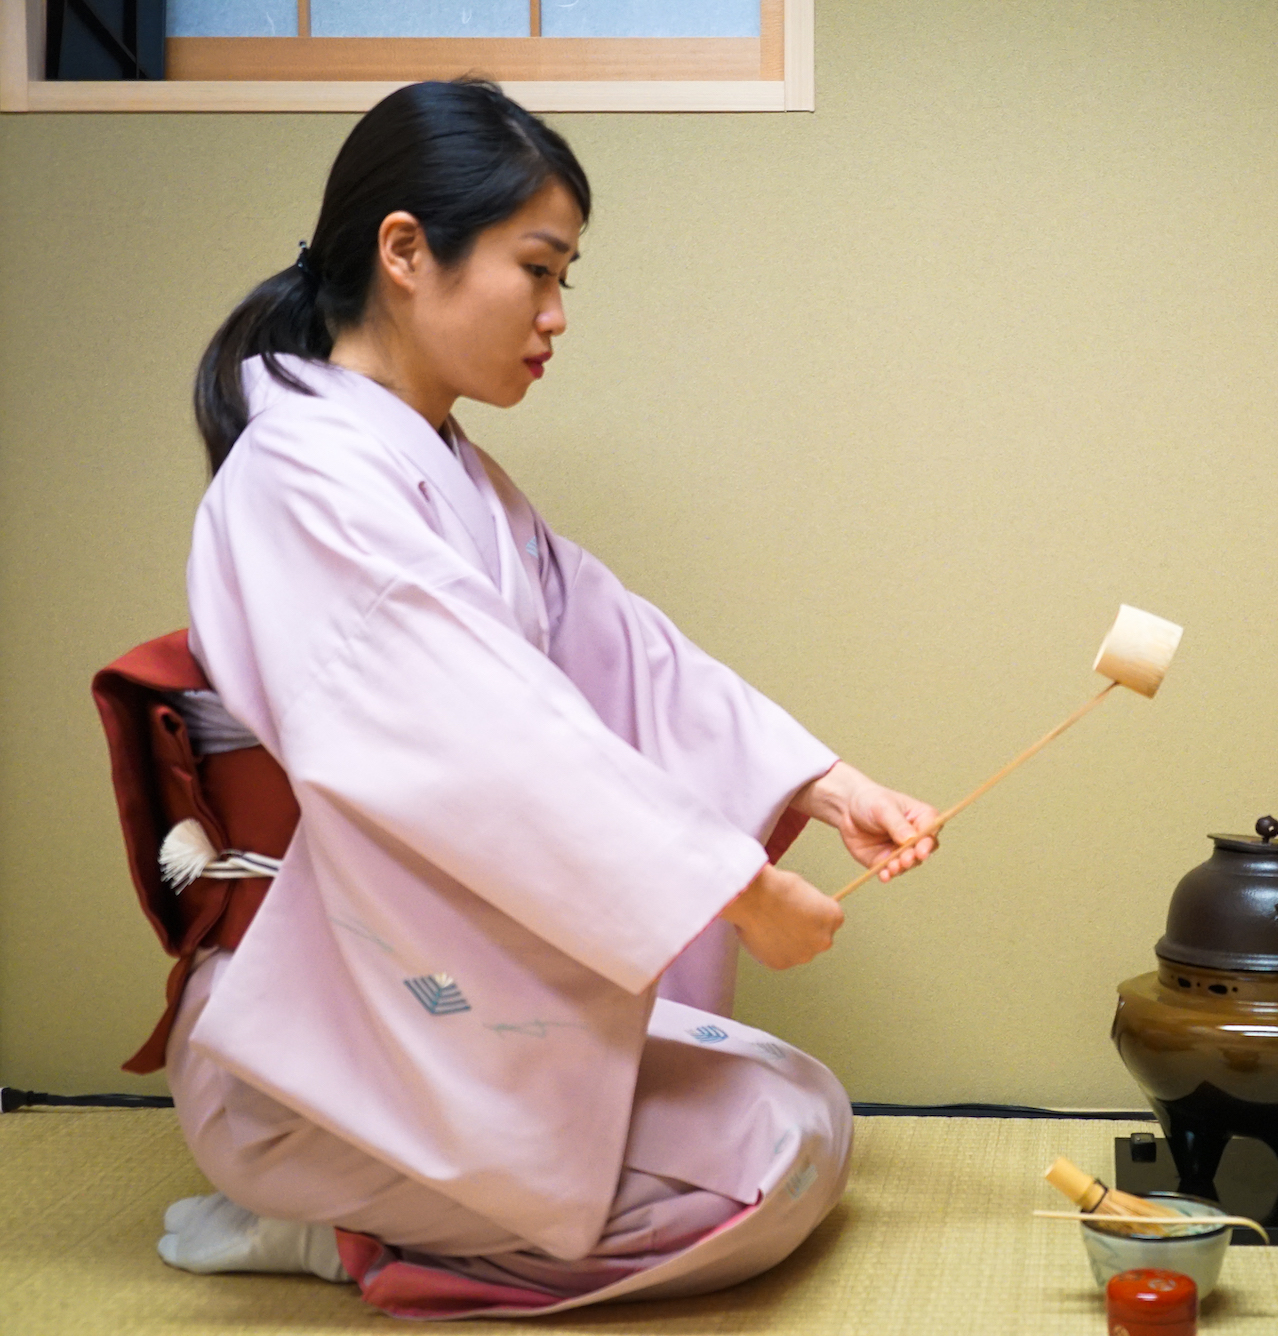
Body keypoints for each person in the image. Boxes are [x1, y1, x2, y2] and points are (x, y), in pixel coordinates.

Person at [151, 78, 937, 1318]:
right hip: (324, 1042)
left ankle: (383, 1198)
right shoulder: (302, 476)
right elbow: (486, 740)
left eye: (566, 276)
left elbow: (625, 653)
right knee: (765, 1168)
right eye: (537, 268)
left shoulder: (450, 472)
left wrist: (825, 787)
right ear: (404, 250)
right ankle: (319, 1223)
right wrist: (732, 886)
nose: (557, 313)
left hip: (424, 1007)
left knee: (801, 1111)